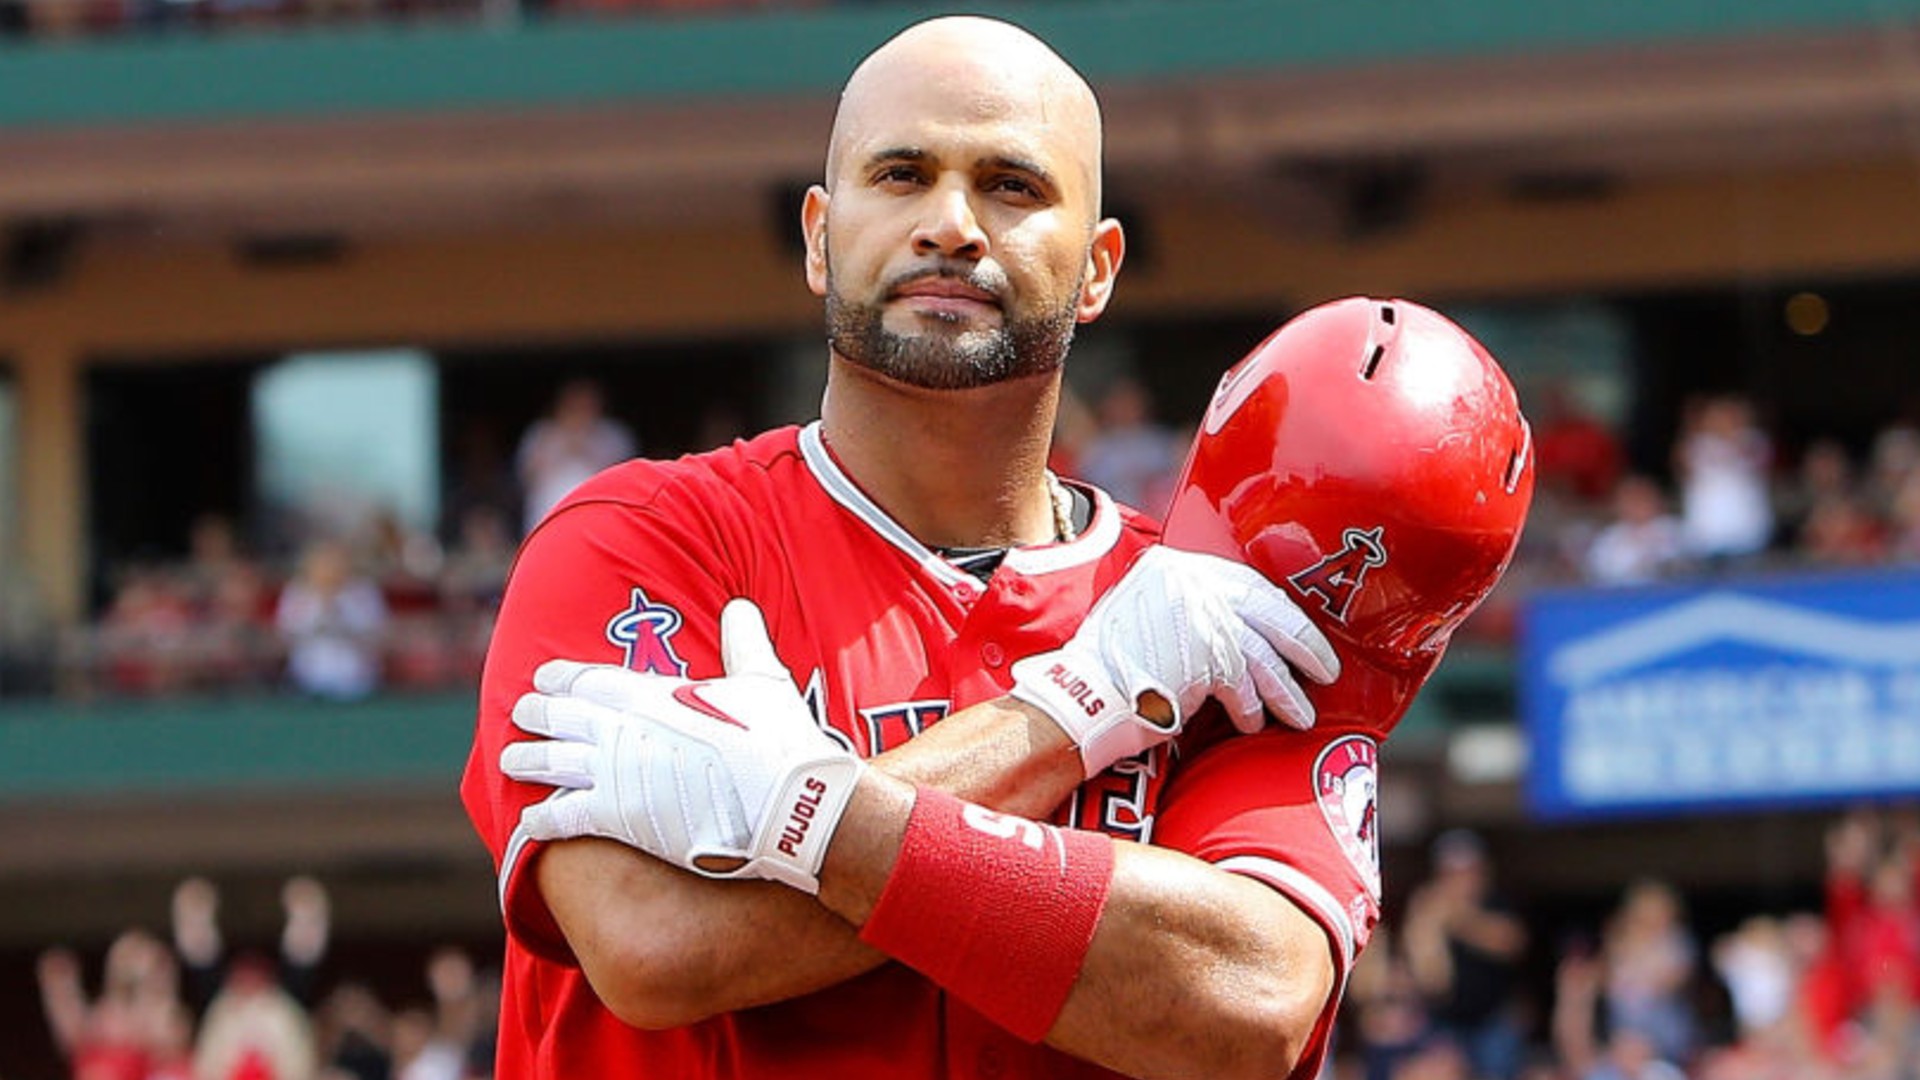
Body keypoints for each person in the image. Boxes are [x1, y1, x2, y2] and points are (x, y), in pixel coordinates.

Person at [464, 17, 1532, 1080]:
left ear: (1100, 267)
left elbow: (1250, 1009)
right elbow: (655, 942)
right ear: (820, 236)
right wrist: (1080, 707)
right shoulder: (637, 541)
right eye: (902, 174)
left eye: (1013, 186)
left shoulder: (1214, 611)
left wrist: (804, 815)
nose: (950, 224)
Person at [513, 378, 637, 535]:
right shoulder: (541, 432)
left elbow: (627, 481)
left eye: (586, 404)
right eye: (574, 404)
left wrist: (585, 445)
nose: (580, 409)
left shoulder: (613, 434)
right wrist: (564, 443)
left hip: (599, 518)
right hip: (546, 517)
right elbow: (525, 476)